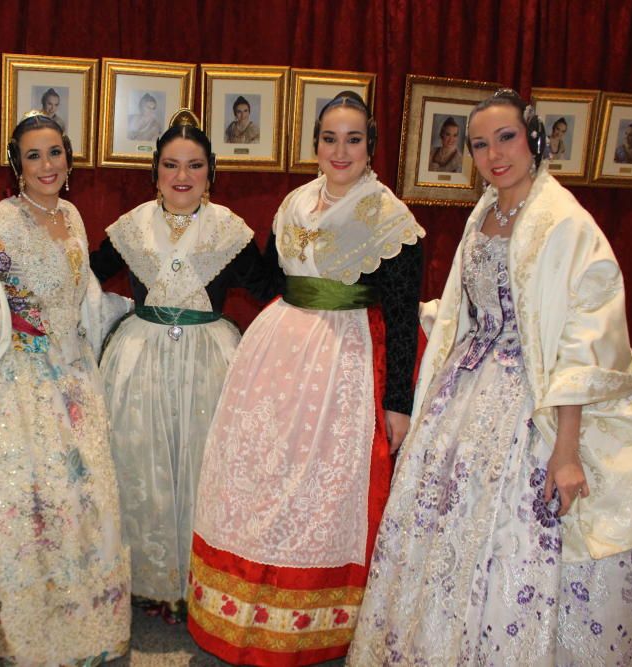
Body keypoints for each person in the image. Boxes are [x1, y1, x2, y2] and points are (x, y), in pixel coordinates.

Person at [347, 89, 632, 666]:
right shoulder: (486, 210)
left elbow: (582, 340)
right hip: (470, 388)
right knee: (446, 527)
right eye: (480, 145)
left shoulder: (564, 222)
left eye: (504, 138)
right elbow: (468, 306)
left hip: (540, 397)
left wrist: (566, 450)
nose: (492, 154)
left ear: (532, 138)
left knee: (528, 538)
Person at [188, 91, 425, 666]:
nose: (339, 151)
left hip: (342, 360)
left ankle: (310, 624)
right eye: (329, 138)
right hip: (276, 355)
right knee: (262, 473)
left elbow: (401, 315)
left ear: (371, 148)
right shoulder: (296, 201)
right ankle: (241, 609)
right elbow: (273, 278)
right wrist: (220, 237)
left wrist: (397, 402)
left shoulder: (389, 217)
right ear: (314, 144)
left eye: (353, 139)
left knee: (319, 487)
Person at [0, 111, 132, 664]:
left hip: (74, 379)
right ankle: (25, 633)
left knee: (84, 503)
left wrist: (129, 320)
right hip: (24, 378)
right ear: (16, 165)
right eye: (34, 155)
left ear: (69, 160)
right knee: (31, 505)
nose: (47, 165)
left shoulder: (73, 216)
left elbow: (81, 296)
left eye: (55, 153)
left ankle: (83, 624)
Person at [90, 109, 276, 624]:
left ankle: (202, 578)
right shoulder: (131, 226)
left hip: (209, 362)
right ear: (155, 172)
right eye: (171, 165)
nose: (182, 177)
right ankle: (148, 580)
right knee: (139, 462)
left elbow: (269, 287)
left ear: (211, 173)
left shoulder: (228, 230)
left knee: (204, 465)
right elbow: (86, 271)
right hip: (138, 360)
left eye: (194, 166)